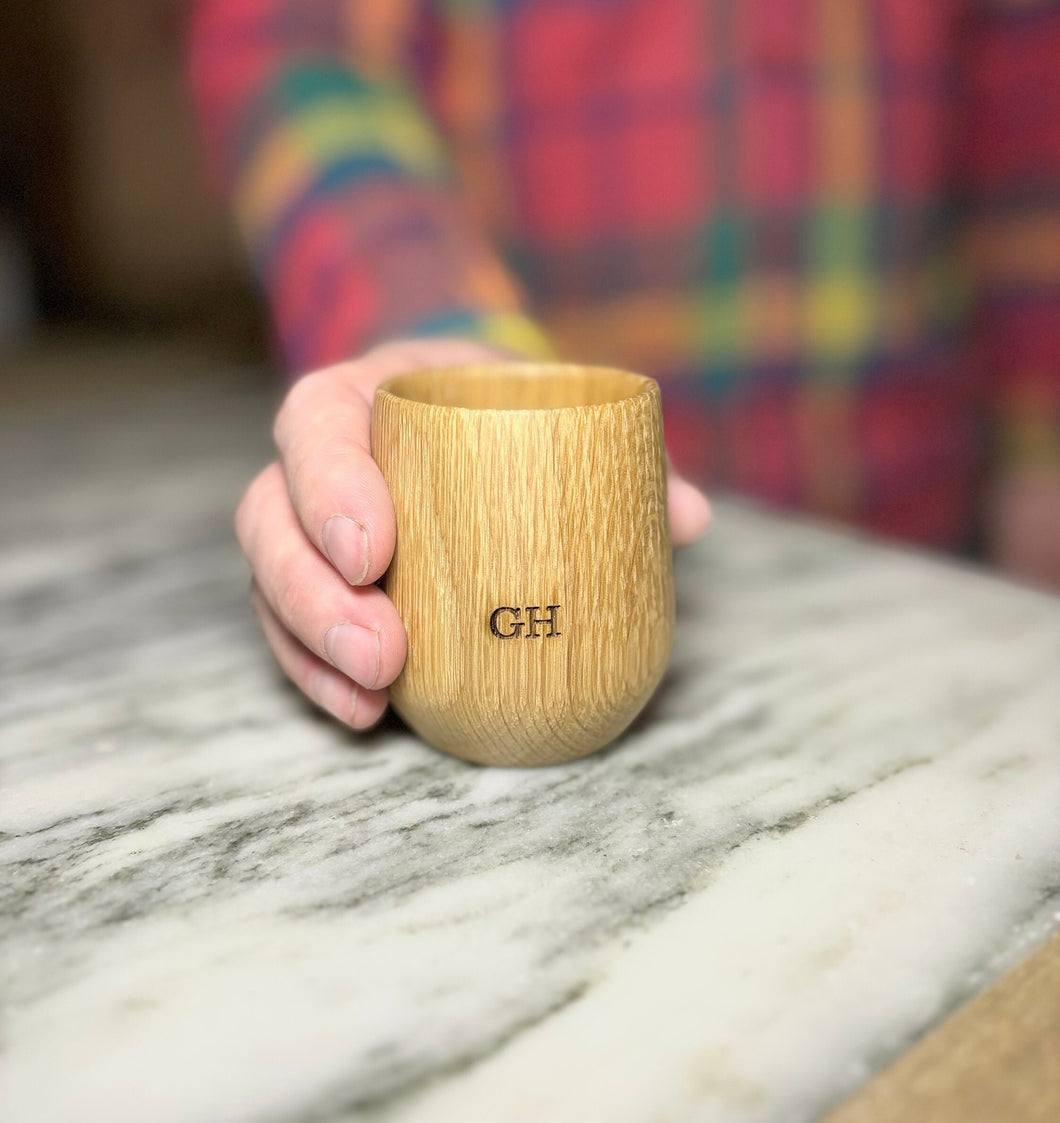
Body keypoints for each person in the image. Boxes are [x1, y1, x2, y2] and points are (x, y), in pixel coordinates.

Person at [188, 0, 1060, 730]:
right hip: (513, 494)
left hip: (925, 542)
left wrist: (1043, 437)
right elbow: (297, 40)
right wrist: (436, 332)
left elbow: (1033, 83)